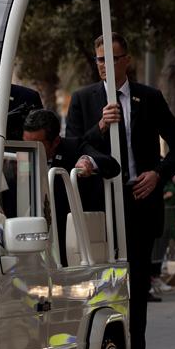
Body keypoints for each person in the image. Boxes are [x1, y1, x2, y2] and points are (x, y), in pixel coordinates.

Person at [65, 32, 175, 349]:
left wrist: (158, 174)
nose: (105, 65)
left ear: (127, 60)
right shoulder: (83, 99)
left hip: (139, 205)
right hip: (100, 211)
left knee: (134, 295)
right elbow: (73, 146)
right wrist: (100, 127)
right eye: (99, 59)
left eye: (112, 58)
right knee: (100, 295)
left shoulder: (148, 98)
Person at [22, 109, 120, 265]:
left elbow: (112, 166)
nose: (29, 150)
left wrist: (87, 161)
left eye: (37, 145)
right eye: (26, 143)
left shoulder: (73, 147)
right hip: (28, 239)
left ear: (55, 142)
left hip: (69, 241)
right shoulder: (18, 154)